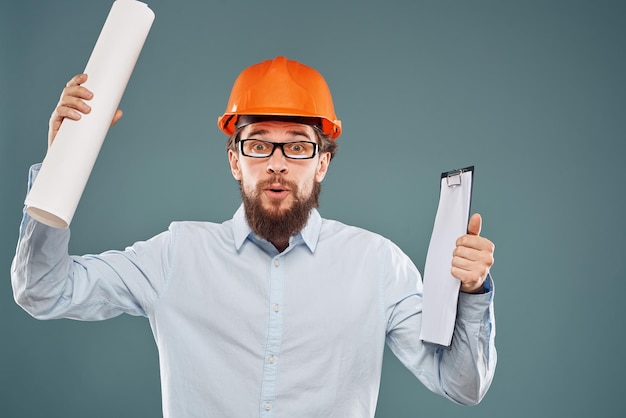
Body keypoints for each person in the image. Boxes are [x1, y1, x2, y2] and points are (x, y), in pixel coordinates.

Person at [12, 56, 497, 417]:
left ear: (323, 163)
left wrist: (472, 294)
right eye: (259, 143)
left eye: (299, 147)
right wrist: (61, 170)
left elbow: (461, 384)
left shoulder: (377, 264)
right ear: (234, 160)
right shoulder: (176, 254)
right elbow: (43, 291)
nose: (278, 163)